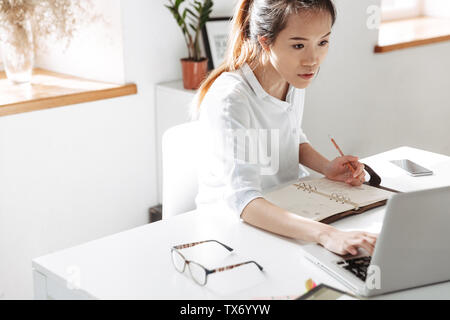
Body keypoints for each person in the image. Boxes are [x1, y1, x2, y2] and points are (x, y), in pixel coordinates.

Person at [191, 0, 377, 256]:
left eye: (322, 42)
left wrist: (327, 168)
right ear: (265, 41)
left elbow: (291, 139)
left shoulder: (292, 78)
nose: (313, 60)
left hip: (289, 212)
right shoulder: (231, 98)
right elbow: (243, 201)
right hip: (233, 233)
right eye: (298, 45)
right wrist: (326, 234)